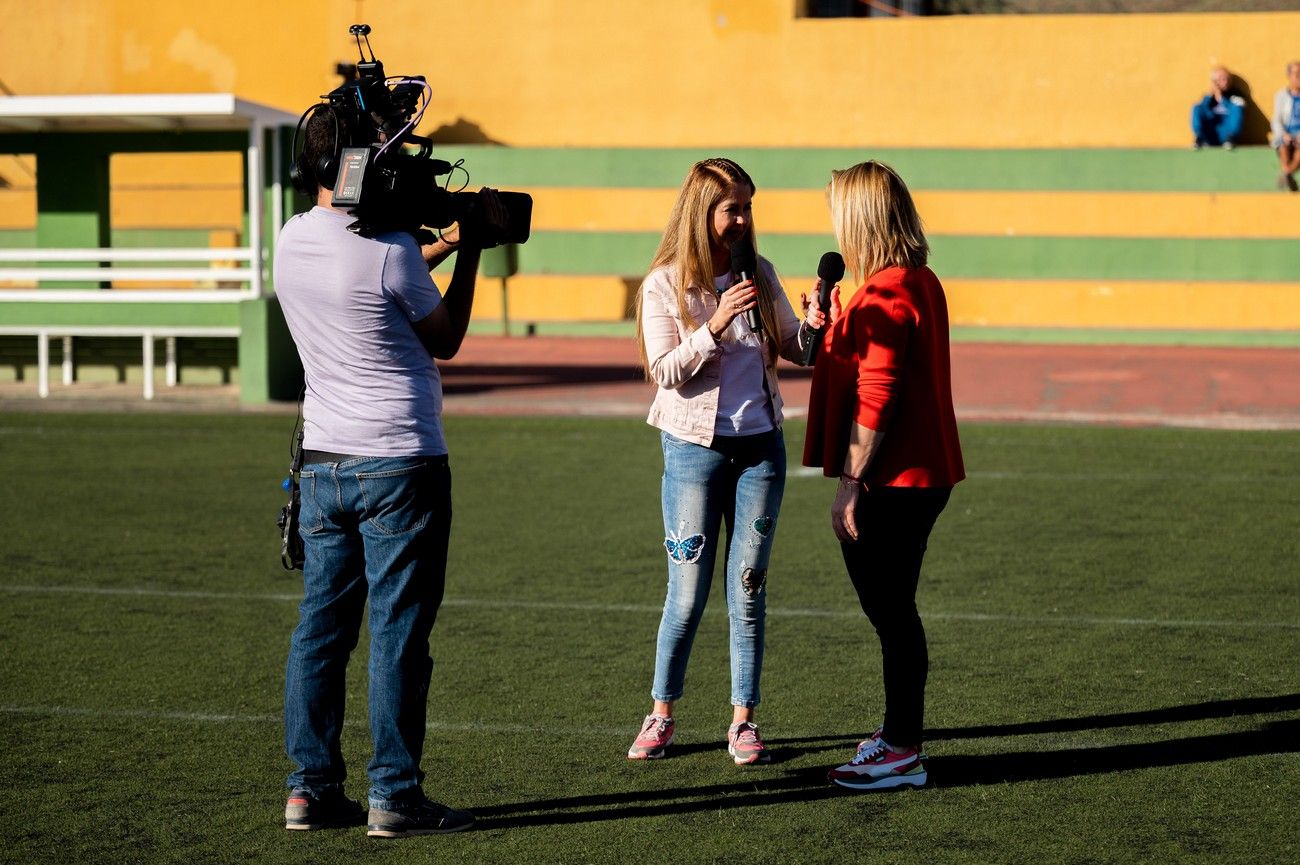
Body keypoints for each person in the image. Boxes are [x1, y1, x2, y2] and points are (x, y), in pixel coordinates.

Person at [274, 105, 500, 837]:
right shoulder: (391, 249)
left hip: (323, 465)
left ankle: (308, 789)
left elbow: (368, 282)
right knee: (399, 632)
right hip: (401, 461)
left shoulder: (290, 240)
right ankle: (394, 794)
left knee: (321, 631)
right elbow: (447, 336)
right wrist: (469, 250)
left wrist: (426, 245)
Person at [628, 157, 828, 765]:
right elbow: (662, 372)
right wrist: (712, 324)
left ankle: (743, 720)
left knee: (747, 587)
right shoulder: (665, 284)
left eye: (747, 207)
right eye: (730, 208)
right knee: (686, 593)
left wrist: (815, 327)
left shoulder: (761, 275)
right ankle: (662, 713)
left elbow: (796, 351)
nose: (741, 219)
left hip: (760, 448)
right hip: (693, 450)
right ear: (701, 214)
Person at [802, 160, 965, 792]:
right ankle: (900, 736)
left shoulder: (891, 291)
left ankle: (903, 748)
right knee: (892, 608)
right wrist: (837, 320)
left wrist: (850, 483)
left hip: (896, 479)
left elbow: (879, 392)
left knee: (891, 611)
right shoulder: (913, 280)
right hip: (918, 472)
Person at [1190, 65, 1245, 150]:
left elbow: (1238, 109)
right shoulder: (1207, 97)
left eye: (1227, 79)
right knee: (1197, 108)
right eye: (1221, 79)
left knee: (1237, 108)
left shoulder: (1236, 95)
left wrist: (1221, 98)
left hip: (1226, 134)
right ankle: (1201, 139)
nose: (1225, 82)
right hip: (1211, 133)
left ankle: (1229, 140)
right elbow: (1204, 113)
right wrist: (1209, 97)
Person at [1271, 60, 1300, 191]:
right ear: (1289, 76)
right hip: (1286, 134)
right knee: (1283, 146)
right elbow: (1276, 119)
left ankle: (1286, 173)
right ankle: (1288, 173)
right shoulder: (1281, 95)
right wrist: (1283, 134)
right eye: (1297, 74)